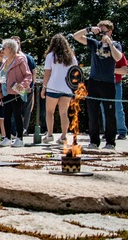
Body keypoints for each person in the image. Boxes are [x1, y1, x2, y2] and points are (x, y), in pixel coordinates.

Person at [72, 20, 123, 151]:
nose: (102, 34)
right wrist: (89, 29)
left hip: (108, 83)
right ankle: (94, 141)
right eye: (100, 31)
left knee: (110, 113)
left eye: (104, 31)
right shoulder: (95, 44)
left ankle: (110, 142)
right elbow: (76, 36)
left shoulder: (116, 44)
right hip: (94, 82)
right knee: (93, 113)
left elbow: (118, 58)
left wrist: (110, 43)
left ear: (110, 32)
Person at [41, 34, 77, 144]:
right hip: (67, 88)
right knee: (64, 113)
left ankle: (50, 134)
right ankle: (63, 136)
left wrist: (44, 88)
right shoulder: (71, 56)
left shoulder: (51, 56)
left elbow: (47, 73)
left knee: (49, 112)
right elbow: (75, 72)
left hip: (53, 87)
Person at [0, 39, 32, 148]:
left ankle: (19, 138)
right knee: (6, 116)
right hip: (6, 92)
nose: (2, 50)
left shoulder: (20, 60)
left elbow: (28, 75)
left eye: (4, 48)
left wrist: (22, 85)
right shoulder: (5, 61)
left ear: (11, 49)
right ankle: (7, 137)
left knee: (17, 115)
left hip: (17, 91)